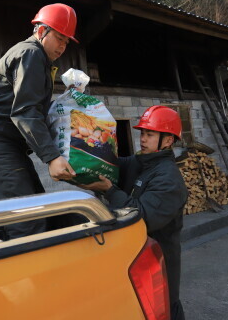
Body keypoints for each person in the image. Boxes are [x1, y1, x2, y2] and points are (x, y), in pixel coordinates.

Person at [0, 3, 78, 240]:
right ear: (41, 31)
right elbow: (25, 111)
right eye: (59, 38)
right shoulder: (30, 53)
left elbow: (35, 111)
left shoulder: (40, 60)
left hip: (7, 144)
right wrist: (52, 157)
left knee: (37, 211)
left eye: (67, 42)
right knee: (27, 222)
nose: (63, 46)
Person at [78, 105, 188, 320]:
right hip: (134, 255)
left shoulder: (169, 179)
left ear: (167, 140)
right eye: (142, 133)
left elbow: (143, 218)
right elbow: (113, 166)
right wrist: (82, 158)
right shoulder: (140, 163)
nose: (142, 139)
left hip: (158, 261)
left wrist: (110, 191)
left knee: (163, 309)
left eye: (149, 134)